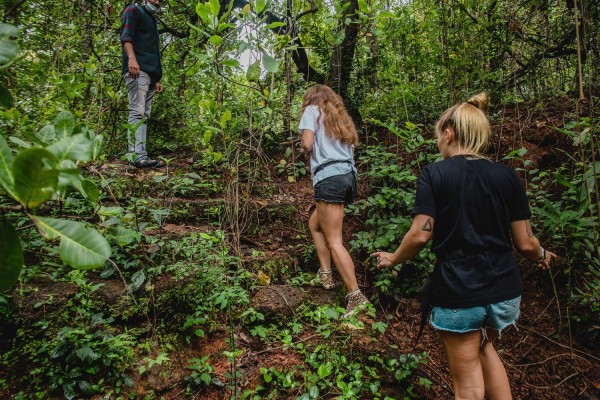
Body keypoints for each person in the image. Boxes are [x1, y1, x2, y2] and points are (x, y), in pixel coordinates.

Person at [372, 92, 557, 399]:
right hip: (504, 290)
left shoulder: (434, 174)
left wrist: (393, 260)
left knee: (468, 386)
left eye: (438, 137)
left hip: (460, 289)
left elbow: (420, 235)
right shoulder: (507, 176)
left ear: (449, 133)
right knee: (485, 346)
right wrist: (542, 254)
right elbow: (525, 243)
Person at [298, 84, 370, 319]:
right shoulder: (339, 117)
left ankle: (355, 295)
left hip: (329, 178)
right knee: (315, 224)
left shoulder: (312, 111)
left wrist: (303, 148)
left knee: (334, 241)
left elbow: (307, 143)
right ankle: (325, 274)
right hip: (347, 178)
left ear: (311, 99)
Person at [120, 0, 165, 168]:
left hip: (150, 74)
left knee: (144, 115)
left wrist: (157, 78)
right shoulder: (132, 10)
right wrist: (132, 59)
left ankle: (142, 155)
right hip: (137, 70)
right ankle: (135, 156)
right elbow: (126, 36)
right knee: (137, 111)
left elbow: (150, 49)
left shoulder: (151, 19)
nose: (157, 2)